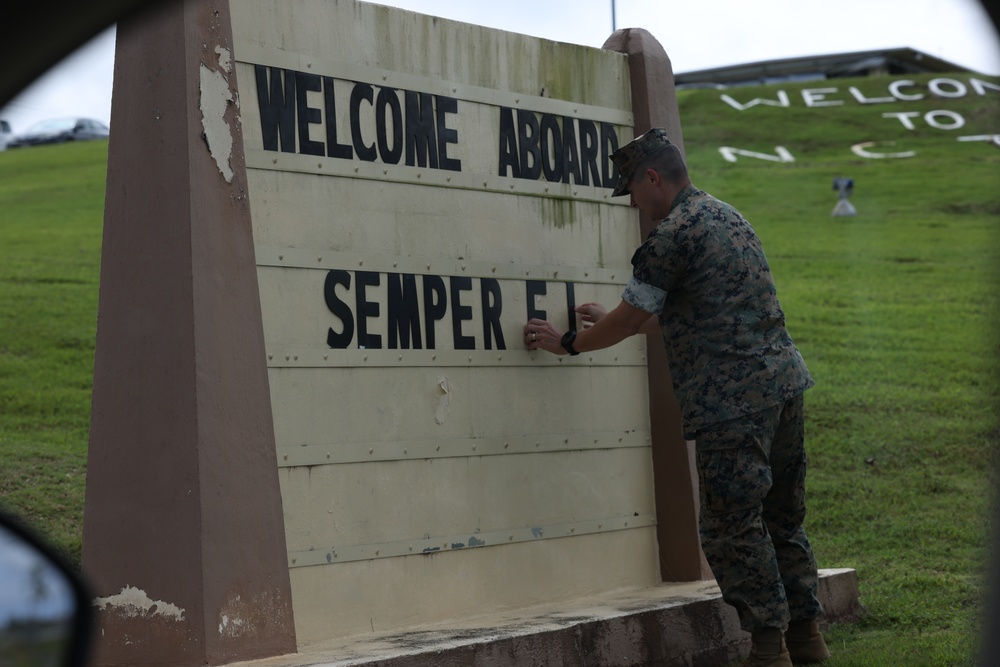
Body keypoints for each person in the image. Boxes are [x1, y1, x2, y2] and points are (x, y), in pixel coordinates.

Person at [523, 128, 830, 667]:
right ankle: (807, 642)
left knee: (732, 527)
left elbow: (633, 314)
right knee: (782, 520)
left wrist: (567, 342)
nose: (635, 204)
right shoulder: (727, 216)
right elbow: (700, 311)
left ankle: (767, 651)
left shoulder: (672, 236)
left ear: (652, 177)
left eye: (634, 191)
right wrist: (621, 323)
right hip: (783, 389)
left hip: (731, 406)